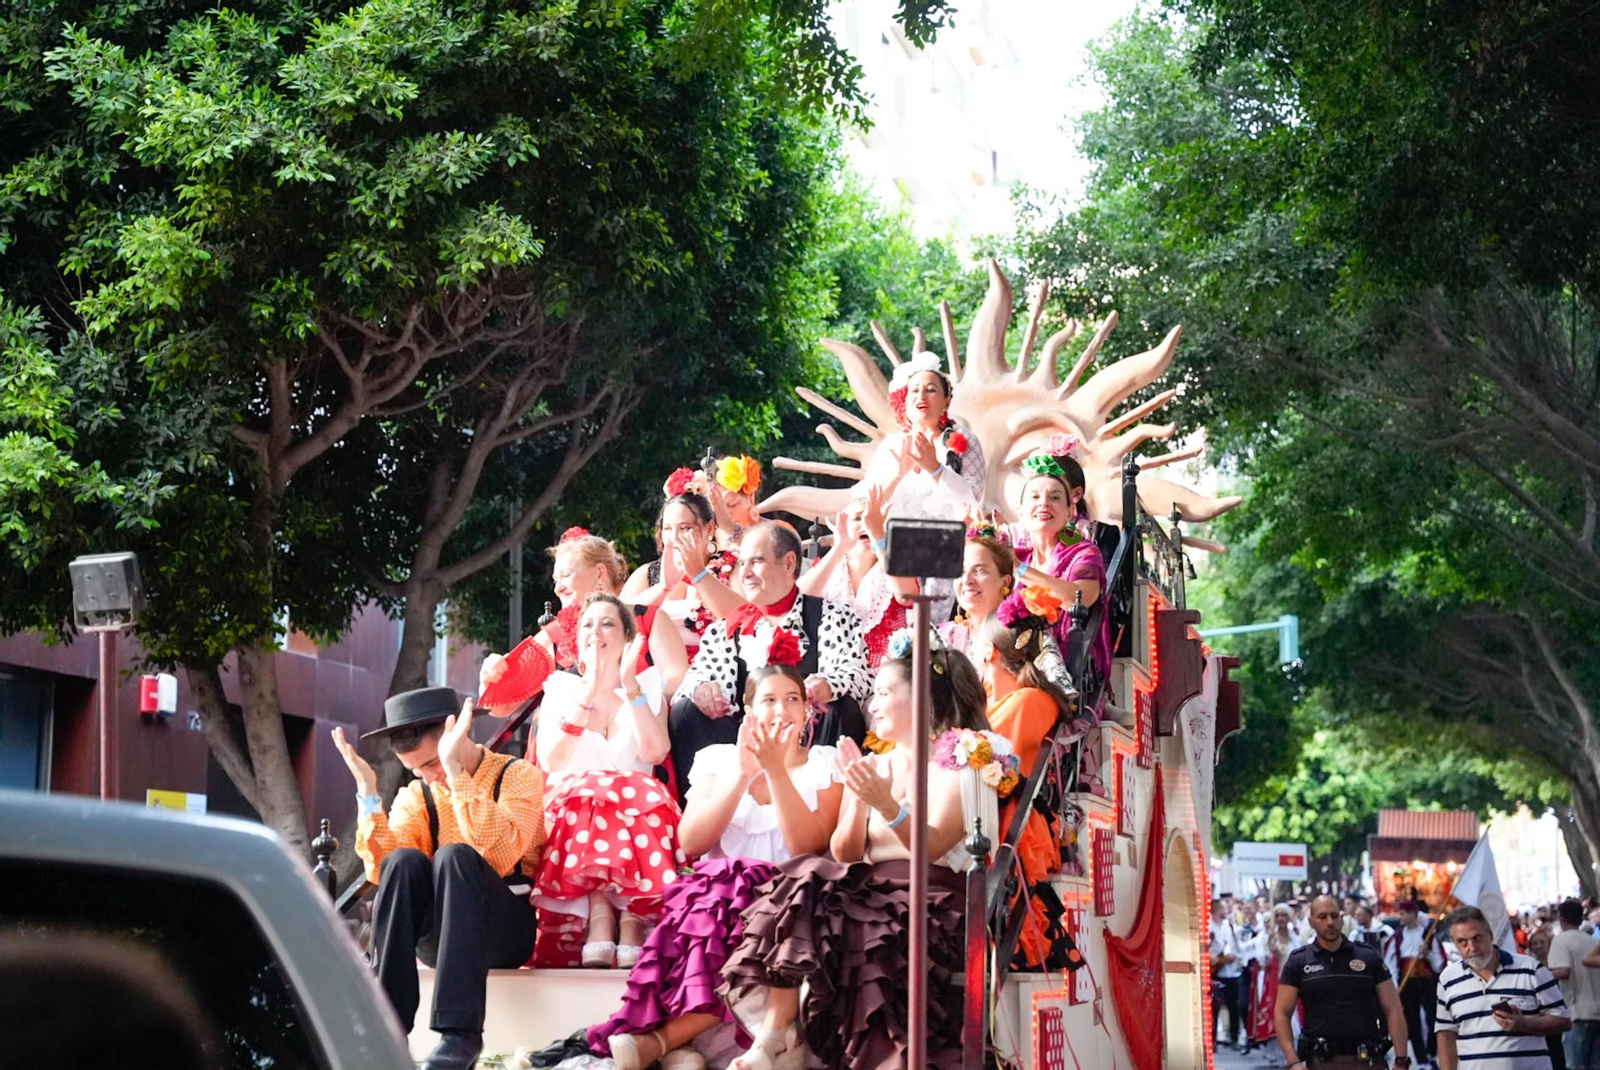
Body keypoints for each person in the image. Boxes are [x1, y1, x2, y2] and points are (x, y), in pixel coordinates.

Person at [719, 646, 1004, 1070]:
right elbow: (845, 852)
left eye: (885, 692)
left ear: (923, 697)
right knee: (808, 876)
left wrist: (887, 805)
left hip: (936, 899)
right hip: (874, 890)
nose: (872, 704)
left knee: (859, 920)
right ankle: (776, 1034)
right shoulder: (874, 763)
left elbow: (934, 845)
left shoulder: (966, 759)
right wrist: (856, 799)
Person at [588, 662, 844, 1070]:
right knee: (722, 897)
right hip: (722, 898)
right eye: (770, 700)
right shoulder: (717, 759)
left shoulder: (825, 763)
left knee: (753, 896)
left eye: (792, 699)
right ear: (749, 711)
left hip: (796, 900)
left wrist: (776, 771)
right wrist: (742, 777)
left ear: (807, 711)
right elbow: (691, 842)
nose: (782, 710)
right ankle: (675, 1046)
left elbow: (807, 846)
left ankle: (663, 1044)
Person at [335, 687, 545, 1070]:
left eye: (431, 763)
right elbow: (383, 870)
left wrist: (455, 772)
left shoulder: (518, 776)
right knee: (403, 861)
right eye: (417, 770)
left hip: (505, 930)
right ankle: (387, 1027)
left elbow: (501, 852)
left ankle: (461, 1036)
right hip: (441, 937)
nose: (429, 777)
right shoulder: (418, 794)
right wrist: (368, 795)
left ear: (459, 734)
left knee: (454, 856)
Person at [669, 520, 872, 801]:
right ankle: (705, 810)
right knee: (685, 712)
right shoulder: (727, 627)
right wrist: (703, 689)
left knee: (840, 708)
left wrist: (826, 685)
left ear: (789, 563)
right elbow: (696, 677)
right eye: (742, 564)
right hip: (744, 740)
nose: (746, 573)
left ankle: (825, 812)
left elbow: (859, 674)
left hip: (805, 742)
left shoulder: (831, 616)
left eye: (756, 561)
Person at [532, 594, 679, 969]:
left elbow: (655, 752)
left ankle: (631, 917)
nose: (596, 631)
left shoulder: (645, 684)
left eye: (608, 623)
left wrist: (628, 685)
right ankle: (599, 912)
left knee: (637, 788)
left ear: (628, 639)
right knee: (591, 787)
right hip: (573, 810)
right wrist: (588, 694)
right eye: (588, 624)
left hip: (639, 809)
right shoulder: (562, 689)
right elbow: (552, 759)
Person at [976, 610, 1087, 971]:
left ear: (990, 652)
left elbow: (988, 753)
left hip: (1006, 815)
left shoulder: (1031, 700)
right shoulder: (1005, 702)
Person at [480, 528, 689, 713]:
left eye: (566, 575)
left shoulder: (649, 618)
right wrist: (490, 676)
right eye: (555, 580)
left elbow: (676, 681)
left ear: (599, 572)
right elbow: (500, 705)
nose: (557, 588)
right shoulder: (555, 635)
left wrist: (627, 712)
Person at [863, 351, 986, 621]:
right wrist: (897, 474)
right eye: (914, 391)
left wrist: (935, 467)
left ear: (946, 401)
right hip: (893, 558)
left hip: (948, 559)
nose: (921, 396)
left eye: (931, 390)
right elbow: (868, 506)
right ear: (905, 401)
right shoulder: (891, 446)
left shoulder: (965, 441)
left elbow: (972, 500)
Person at [1007, 437, 1112, 697]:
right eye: (1034, 496)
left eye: (1055, 497)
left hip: (1065, 672)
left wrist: (1019, 569)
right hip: (1012, 666)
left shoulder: (1085, 554)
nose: (1043, 503)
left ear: (1070, 512)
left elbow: (1080, 599)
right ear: (1021, 512)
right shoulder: (1015, 556)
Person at [1276, 895, 1409, 1070]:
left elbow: (1393, 1008)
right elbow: (1281, 1013)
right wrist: (1293, 1061)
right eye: (1322, 917)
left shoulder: (1368, 957)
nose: (1329, 922)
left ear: (1341, 918)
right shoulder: (1299, 961)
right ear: (1311, 922)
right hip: (1320, 1061)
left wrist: (1401, 1060)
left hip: (1367, 1059)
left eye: (1334, 915)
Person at [1436, 905, 1570, 1070]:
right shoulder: (1448, 979)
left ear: (1490, 935)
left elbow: (1563, 1020)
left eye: (1477, 938)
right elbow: (1446, 1035)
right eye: (1462, 942)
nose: (1472, 948)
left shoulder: (1532, 970)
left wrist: (1524, 1025)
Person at [620, 487, 745, 663]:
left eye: (685, 528)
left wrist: (698, 574)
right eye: (668, 529)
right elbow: (616, 621)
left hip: (721, 672)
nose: (674, 537)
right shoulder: (648, 574)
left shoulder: (733, 565)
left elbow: (745, 617)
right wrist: (662, 588)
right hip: (658, 674)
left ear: (709, 529)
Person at [799, 483, 915, 670]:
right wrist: (839, 548)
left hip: (887, 674)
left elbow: (907, 596)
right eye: (858, 518)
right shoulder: (829, 567)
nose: (866, 524)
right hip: (833, 676)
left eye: (873, 518)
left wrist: (878, 536)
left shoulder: (898, 565)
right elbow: (799, 599)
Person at [938, 524, 1017, 656]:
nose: (967, 580)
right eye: (960, 571)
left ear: (1005, 582)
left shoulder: (1026, 636)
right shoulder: (945, 637)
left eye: (980, 571)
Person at [1388, 898, 1449, 1070]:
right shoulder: (1398, 937)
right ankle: (1421, 1060)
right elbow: (1391, 962)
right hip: (1408, 983)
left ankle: (1431, 1054)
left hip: (1427, 982)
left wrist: (1427, 953)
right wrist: (1394, 987)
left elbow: (1439, 964)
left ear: (1412, 914)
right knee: (1412, 1022)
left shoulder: (1428, 935)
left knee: (1433, 1019)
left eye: (1402, 913)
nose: (1399, 917)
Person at [1549, 899, 1600, 1070]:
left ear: (1561, 918)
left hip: (1576, 1013)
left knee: (1574, 1066)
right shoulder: (1592, 941)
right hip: (1597, 1012)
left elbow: (1563, 970)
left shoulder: (1560, 941)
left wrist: (1540, 976)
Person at [1252, 903, 1304, 1049]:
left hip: (1293, 981)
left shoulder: (1295, 936)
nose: (1281, 918)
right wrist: (1270, 950)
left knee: (1294, 1015)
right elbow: (1261, 959)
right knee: (1277, 1013)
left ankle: (1294, 1050)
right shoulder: (1267, 936)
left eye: (1284, 915)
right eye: (1278, 915)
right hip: (1274, 981)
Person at [1213, 897, 1251, 1053]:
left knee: (1234, 1006)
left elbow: (1234, 946)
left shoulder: (1228, 925)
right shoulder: (1208, 925)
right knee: (1214, 1008)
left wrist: (1233, 955)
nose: (1226, 910)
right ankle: (1213, 1039)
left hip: (1231, 973)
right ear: (1216, 910)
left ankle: (1234, 1037)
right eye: (1223, 908)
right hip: (1216, 972)